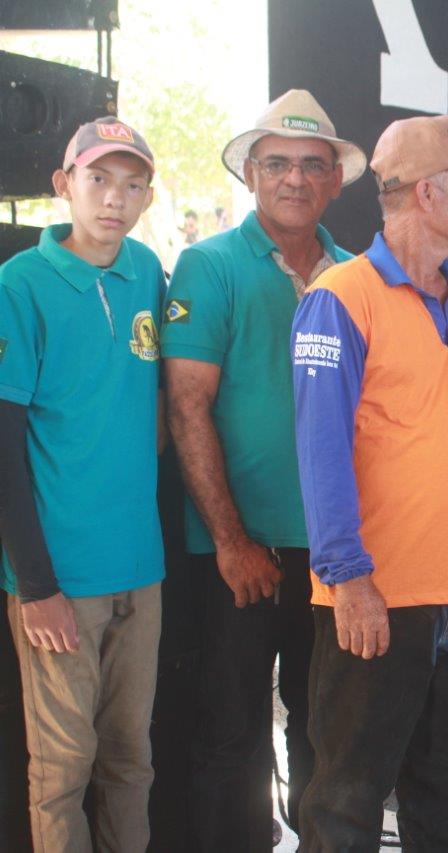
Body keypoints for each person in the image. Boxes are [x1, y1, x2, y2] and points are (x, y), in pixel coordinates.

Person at [292, 114, 448, 850]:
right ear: (427, 194)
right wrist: (347, 577)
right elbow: (320, 449)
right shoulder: (339, 296)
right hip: (379, 597)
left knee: (446, 805)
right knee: (345, 806)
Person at [161, 89, 365, 850]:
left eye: (312, 164)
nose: (295, 178)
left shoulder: (356, 276)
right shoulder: (209, 265)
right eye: (277, 163)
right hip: (238, 552)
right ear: (250, 173)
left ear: (335, 181)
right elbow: (187, 406)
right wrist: (231, 541)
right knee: (230, 736)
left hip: (336, 556)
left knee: (327, 738)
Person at [0, 117, 165, 852]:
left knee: (132, 759)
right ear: (63, 184)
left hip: (141, 567)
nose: (114, 199)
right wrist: (36, 585)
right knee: (62, 770)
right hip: (60, 579)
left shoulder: (147, 270)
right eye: (98, 179)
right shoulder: (20, 283)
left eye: (132, 185)